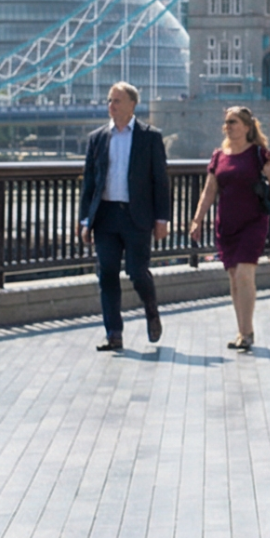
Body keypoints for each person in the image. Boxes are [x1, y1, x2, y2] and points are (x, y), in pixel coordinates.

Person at [76, 81, 172, 352]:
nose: (111, 105)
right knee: (106, 273)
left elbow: (160, 182)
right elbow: (89, 183)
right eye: (109, 100)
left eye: (117, 100)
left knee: (137, 272)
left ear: (132, 105)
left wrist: (162, 220)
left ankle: (151, 310)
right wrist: (85, 220)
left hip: (136, 216)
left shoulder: (150, 136)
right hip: (105, 216)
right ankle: (114, 334)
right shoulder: (97, 138)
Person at [194, 104, 270, 352]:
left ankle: (247, 332)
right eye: (226, 122)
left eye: (233, 122)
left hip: (253, 222)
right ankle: (242, 329)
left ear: (246, 126)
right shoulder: (219, 156)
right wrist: (197, 219)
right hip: (227, 223)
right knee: (234, 279)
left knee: (245, 274)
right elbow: (209, 190)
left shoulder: (259, 154)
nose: (228, 126)